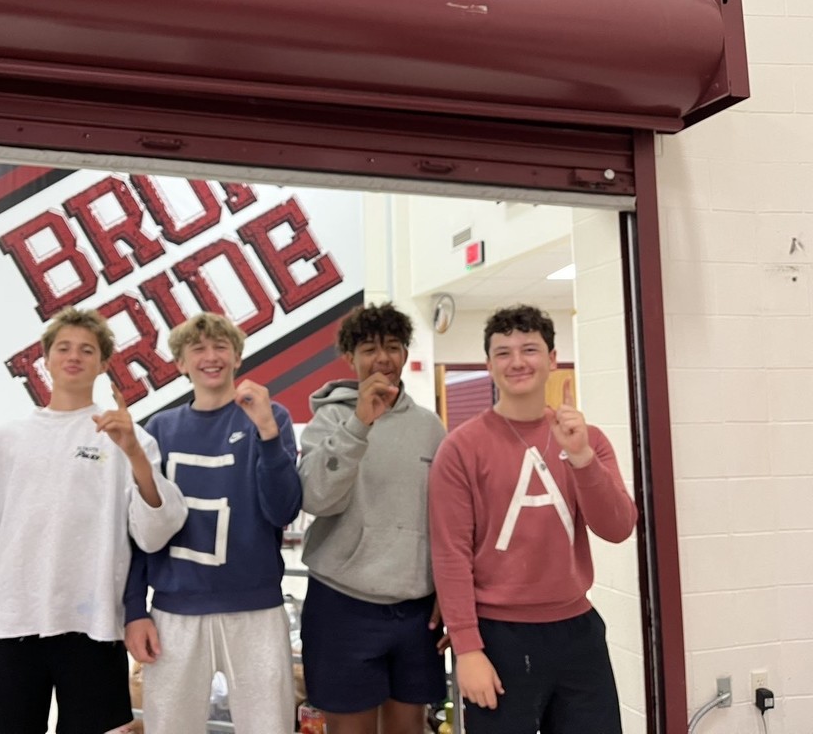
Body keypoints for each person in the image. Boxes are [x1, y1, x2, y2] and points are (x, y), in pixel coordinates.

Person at [0, 307, 188, 734]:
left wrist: (132, 455)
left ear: (103, 363)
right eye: (64, 348)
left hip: (94, 628)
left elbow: (154, 533)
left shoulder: (128, 437)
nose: (74, 356)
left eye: (87, 350)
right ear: (46, 359)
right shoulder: (5, 440)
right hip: (11, 625)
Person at [428, 304, 638, 734]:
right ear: (488, 364)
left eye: (530, 349)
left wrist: (580, 458)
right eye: (503, 352)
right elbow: (450, 554)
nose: (518, 361)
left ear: (553, 359)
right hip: (499, 636)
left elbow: (617, 527)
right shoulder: (461, 448)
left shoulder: (587, 440)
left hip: (577, 630)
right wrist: (467, 648)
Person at [123, 311, 303, 734]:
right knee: (170, 727)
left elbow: (283, 510)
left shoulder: (269, 415)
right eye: (197, 349)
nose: (211, 356)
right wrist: (134, 609)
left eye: (221, 346)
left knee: (269, 726)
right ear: (181, 363)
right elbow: (135, 530)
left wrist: (267, 434)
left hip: (255, 608)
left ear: (238, 357)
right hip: (175, 610)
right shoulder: (159, 430)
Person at [298, 301, 448, 734]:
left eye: (393, 346)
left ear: (404, 354)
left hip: (417, 609)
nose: (382, 358)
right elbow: (315, 498)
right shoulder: (329, 419)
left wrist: (446, 586)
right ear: (351, 357)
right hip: (343, 605)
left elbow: (445, 516)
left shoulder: (429, 427)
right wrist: (358, 425)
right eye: (368, 348)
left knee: (411, 729)